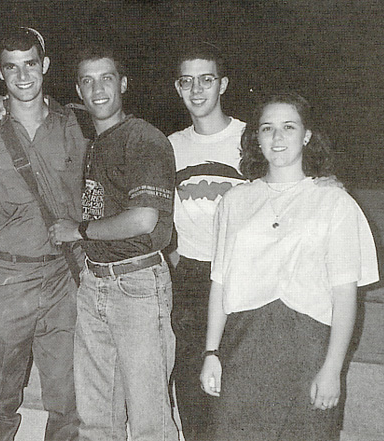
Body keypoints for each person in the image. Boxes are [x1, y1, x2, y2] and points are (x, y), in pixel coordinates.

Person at [199, 92, 379, 441]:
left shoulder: (335, 202)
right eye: (267, 128)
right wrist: (211, 352)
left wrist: (332, 369)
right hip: (244, 346)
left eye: (289, 127)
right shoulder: (235, 202)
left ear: (306, 135)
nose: (277, 137)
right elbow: (219, 283)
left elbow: (345, 295)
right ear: (257, 137)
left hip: (308, 349)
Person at [0, 27, 84, 441]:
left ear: (45, 65)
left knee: (71, 401)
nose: (22, 76)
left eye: (30, 64)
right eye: (11, 68)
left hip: (63, 278)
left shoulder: (76, 125)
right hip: (4, 280)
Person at [50, 46, 179, 441]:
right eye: (87, 81)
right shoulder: (95, 142)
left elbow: (144, 219)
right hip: (95, 283)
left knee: (150, 422)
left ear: (123, 84)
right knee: (96, 419)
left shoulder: (143, 138)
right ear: (79, 90)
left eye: (106, 78)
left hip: (136, 285)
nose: (97, 89)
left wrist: (79, 230)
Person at [167, 42, 246, 441]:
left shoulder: (250, 138)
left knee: (241, 394)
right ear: (178, 88)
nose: (196, 90)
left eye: (206, 79)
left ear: (223, 84)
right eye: (187, 81)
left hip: (245, 278)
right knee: (193, 392)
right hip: (193, 280)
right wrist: (177, 259)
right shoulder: (170, 146)